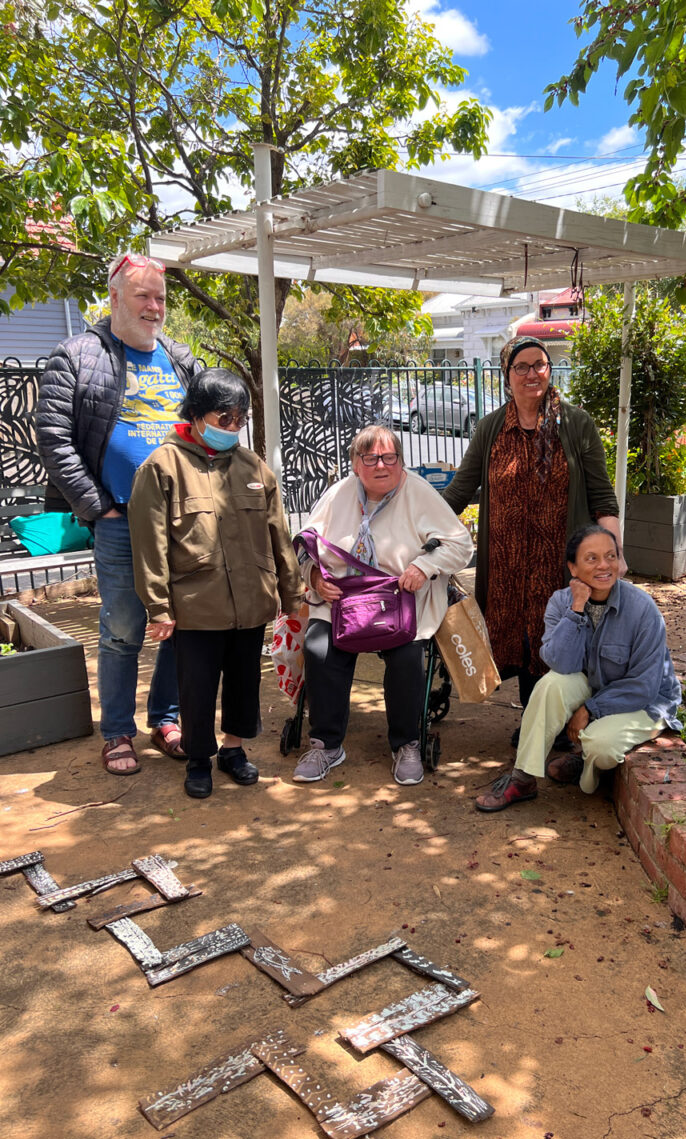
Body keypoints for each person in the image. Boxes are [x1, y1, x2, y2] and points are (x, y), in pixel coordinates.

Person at [36, 252, 201, 776]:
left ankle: (167, 719)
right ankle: (117, 733)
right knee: (124, 628)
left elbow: (205, 427)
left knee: (181, 623)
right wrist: (96, 506)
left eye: (160, 298)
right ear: (115, 297)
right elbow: (53, 438)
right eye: (143, 296)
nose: (154, 307)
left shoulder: (179, 359)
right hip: (121, 521)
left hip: (181, 521)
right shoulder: (77, 354)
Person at [128, 368, 305, 799]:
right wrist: (159, 607)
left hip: (250, 601)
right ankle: (198, 759)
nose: (234, 428)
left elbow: (278, 533)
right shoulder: (162, 467)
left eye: (240, 419)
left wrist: (292, 593)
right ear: (197, 414)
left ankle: (234, 751)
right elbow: (149, 544)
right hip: (195, 605)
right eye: (225, 418)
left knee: (245, 682)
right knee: (197, 687)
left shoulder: (252, 467)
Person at [442, 335, 624, 728]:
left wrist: (613, 556)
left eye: (539, 364)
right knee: (521, 643)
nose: (532, 373)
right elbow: (459, 490)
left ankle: (557, 722)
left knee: (558, 640)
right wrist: (414, 522)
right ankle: (533, 720)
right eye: (521, 367)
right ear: (506, 375)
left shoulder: (575, 425)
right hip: (506, 565)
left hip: (557, 563)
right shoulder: (492, 428)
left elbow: (603, 499)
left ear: (549, 370)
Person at [293, 425, 473, 786]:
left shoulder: (418, 492)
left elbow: (461, 544)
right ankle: (326, 744)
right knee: (318, 647)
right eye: (371, 457)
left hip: (402, 602)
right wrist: (314, 577)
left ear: (400, 462)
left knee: (407, 658)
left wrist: (425, 566)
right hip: (343, 600)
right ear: (355, 464)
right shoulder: (339, 493)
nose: (381, 465)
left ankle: (406, 744)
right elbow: (305, 543)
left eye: (390, 457)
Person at [474, 525, 681, 812]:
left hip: (644, 702)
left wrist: (590, 709)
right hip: (596, 685)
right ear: (573, 567)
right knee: (550, 685)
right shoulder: (561, 602)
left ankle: (585, 760)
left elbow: (644, 686)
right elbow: (560, 663)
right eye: (592, 558)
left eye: (611, 556)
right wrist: (577, 608)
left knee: (601, 746)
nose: (604, 565)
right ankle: (523, 779)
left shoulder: (643, 609)